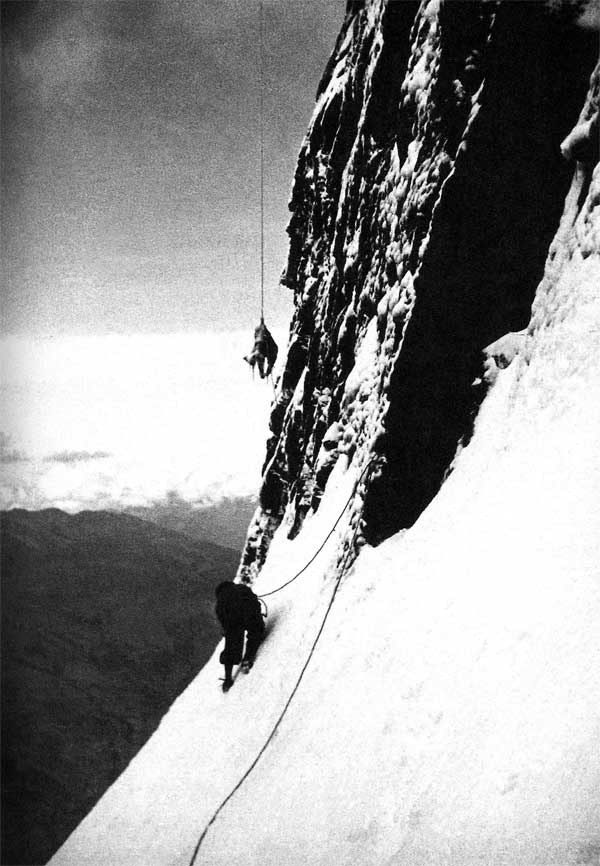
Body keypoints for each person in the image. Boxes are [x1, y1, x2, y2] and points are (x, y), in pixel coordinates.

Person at [215, 580, 265, 692]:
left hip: (231, 621)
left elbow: (223, 622)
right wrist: (257, 618)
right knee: (255, 631)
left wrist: (228, 631)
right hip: (248, 612)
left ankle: (228, 679)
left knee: (231, 645)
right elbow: (255, 603)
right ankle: (247, 659)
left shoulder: (220, 603)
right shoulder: (241, 588)